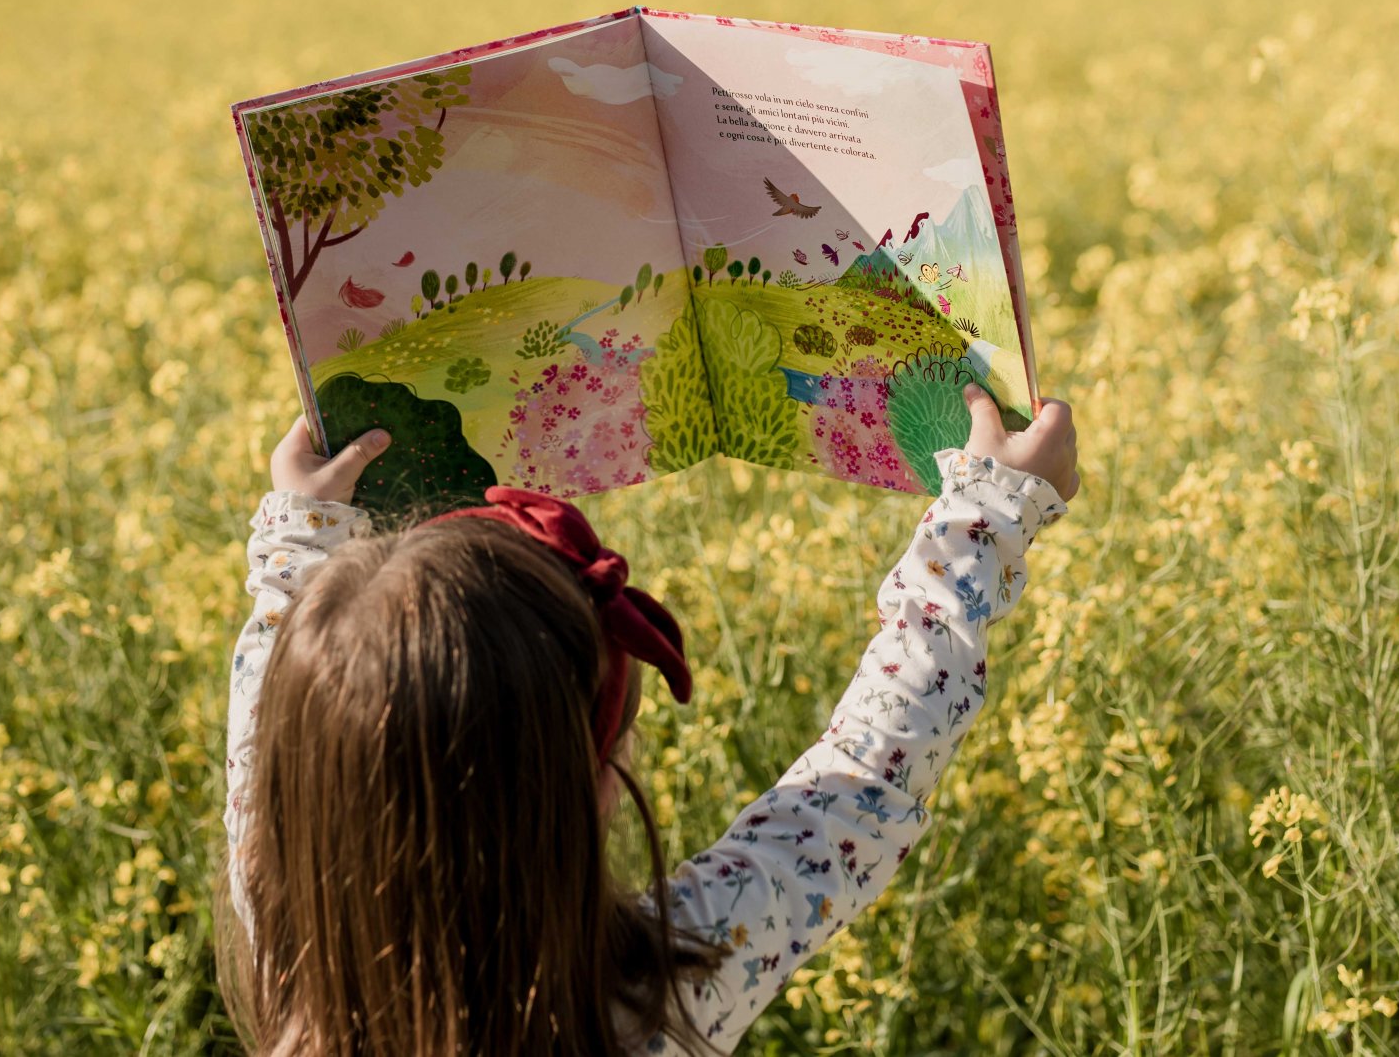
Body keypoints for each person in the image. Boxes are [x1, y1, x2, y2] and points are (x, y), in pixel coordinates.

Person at [219, 384, 1078, 1055]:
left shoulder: (287, 949)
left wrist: (299, 544)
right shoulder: (648, 1000)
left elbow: (270, 742)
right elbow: (862, 781)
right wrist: (988, 514)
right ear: (580, 793)